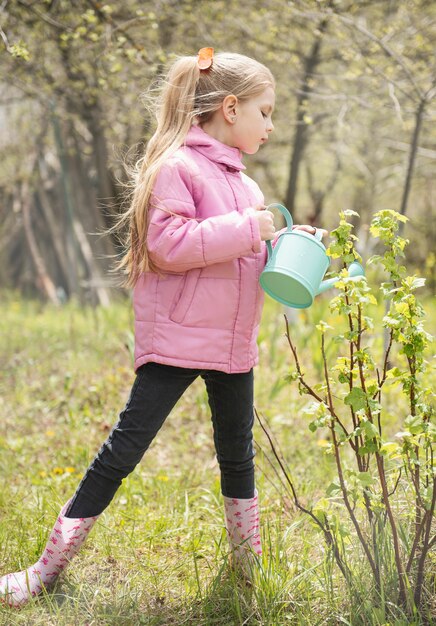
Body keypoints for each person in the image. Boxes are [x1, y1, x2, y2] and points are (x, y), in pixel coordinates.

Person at [0, 48, 324, 608]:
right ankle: (45, 569)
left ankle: (250, 579)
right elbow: (167, 245)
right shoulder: (177, 166)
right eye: (265, 112)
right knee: (124, 450)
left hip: (231, 346)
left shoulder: (244, 185)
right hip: (177, 339)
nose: (271, 125)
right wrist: (251, 228)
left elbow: (239, 256)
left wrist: (287, 246)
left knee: (239, 456)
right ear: (229, 108)